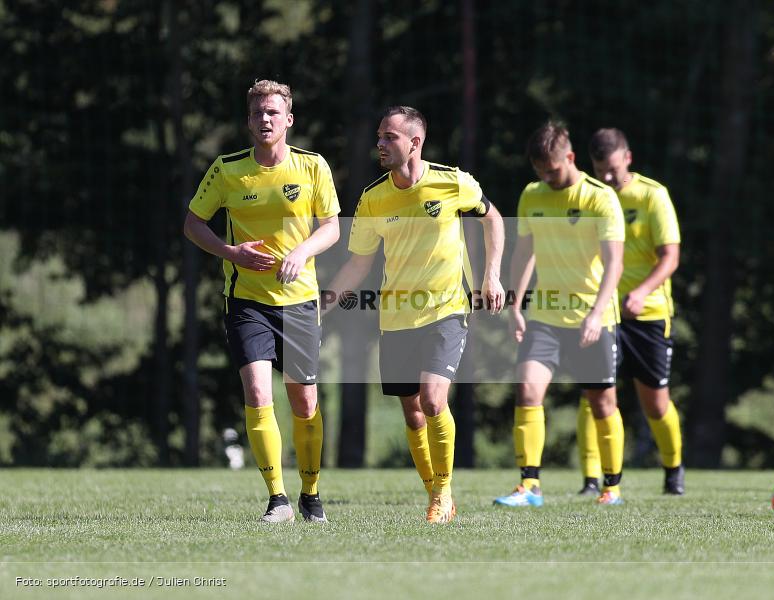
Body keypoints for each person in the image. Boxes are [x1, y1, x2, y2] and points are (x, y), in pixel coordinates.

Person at [325, 106, 504, 524]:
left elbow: (492, 217)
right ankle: (436, 494)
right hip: (396, 317)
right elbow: (358, 263)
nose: (380, 145)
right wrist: (324, 302)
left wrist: (491, 276)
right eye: (379, 136)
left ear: (415, 143)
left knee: (432, 398)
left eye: (389, 137)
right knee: (412, 411)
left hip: (447, 309)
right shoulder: (373, 197)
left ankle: (441, 495)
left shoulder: (451, 182)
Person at [183, 79, 340, 523]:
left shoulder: (312, 166)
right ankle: (278, 500)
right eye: (257, 114)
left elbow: (331, 226)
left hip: (300, 301)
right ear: (248, 121)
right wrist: (231, 253)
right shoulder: (227, 169)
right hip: (246, 300)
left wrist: (301, 251)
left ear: (288, 119)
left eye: (273, 112)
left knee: (304, 403)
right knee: (256, 393)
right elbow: (194, 224)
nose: (265, 119)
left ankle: (311, 494)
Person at [494, 122, 626, 508]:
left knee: (602, 403)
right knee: (528, 390)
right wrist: (515, 306)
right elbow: (524, 253)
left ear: (569, 158)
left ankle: (611, 489)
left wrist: (596, 313)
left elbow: (614, 263)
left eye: (552, 170)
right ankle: (529, 487)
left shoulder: (599, 197)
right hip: (545, 318)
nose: (546, 177)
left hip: (593, 317)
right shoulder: (532, 195)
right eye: (540, 171)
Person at [585, 127, 685, 495]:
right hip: (602, 312)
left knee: (655, 404)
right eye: (600, 170)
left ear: (628, 157)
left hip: (648, 313)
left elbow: (670, 257)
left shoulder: (652, 196)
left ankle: (674, 469)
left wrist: (641, 292)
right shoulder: (591, 198)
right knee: (595, 394)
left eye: (613, 168)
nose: (608, 177)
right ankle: (593, 479)